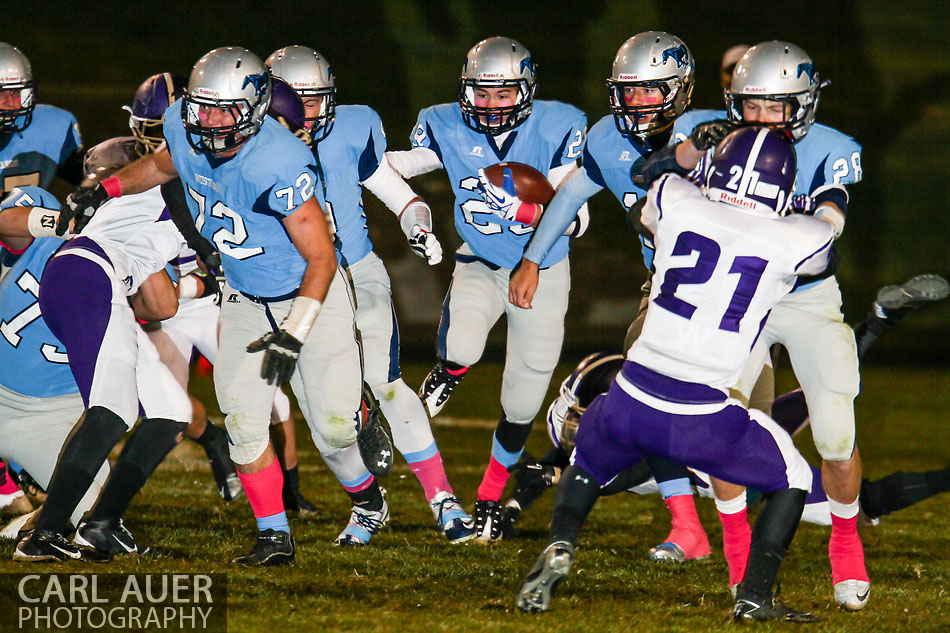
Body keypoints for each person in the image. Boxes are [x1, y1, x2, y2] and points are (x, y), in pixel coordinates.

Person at [57, 47, 386, 563]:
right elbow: (164, 163)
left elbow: (320, 259)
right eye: (201, 106)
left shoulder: (279, 161)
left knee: (334, 429)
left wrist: (294, 331)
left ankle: (367, 498)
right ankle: (274, 536)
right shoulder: (186, 127)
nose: (207, 119)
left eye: (221, 109)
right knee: (242, 418)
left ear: (254, 107)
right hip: (243, 295)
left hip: (310, 295)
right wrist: (106, 190)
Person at [517, 127, 834, 621]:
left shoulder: (677, 198)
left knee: (588, 462)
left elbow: (648, 178)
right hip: (704, 412)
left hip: (631, 393)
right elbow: (825, 241)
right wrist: (825, 202)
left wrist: (689, 153)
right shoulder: (795, 236)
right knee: (791, 477)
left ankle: (561, 542)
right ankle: (754, 596)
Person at [648, 41, 884, 611]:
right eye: (749, 106)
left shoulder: (832, 149)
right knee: (717, 426)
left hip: (804, 298)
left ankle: (846, 543)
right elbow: (647, 176)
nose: (758, 119)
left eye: (773, 107)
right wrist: (683, 154)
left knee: (835, 433)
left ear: (802, 105)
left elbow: (827, 236)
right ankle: (737, 553)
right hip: (735, 297)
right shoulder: (711, 132)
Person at [500, 32, 711, 561]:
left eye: (650, 91)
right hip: (666, 287)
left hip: (737, 293)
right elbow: (569, 196)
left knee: (744, 423)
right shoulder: (606, 140)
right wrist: (530, 260)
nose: (636, 103)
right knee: (645, 389)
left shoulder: (713, 137)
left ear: (681, 90)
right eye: (628, 91)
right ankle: (689, 526)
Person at [266, 45, 475, 543]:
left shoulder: (353, 126)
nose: (306, 114)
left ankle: (442, 499)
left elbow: (391, 186)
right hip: (291, 287)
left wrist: (417, 225)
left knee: (386, 382)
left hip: (356, 269)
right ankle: (366, 504)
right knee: (324, 418)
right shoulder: (246, 149)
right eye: (295, 101)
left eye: (315, 101)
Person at [386, 36, 587, 540]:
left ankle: (490, 497)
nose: (492, 105)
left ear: (527, 90)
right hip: (479, 259)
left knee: (522, 399)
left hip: (542, 269)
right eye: (482, 92)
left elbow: (578, 215)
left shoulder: (559, 125)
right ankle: (450, 369)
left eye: (504, 94)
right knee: (462, 343)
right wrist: (399, 202)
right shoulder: (444, 122)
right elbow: (394, 167)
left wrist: (526, 214)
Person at [4, 168, 196, 561]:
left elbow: (163, 304)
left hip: (99, 279)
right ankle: (44, 535)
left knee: (172, 411)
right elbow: (170, 167)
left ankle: (101, 524)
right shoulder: (184, 171)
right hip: (89, 271)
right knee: (112, 411)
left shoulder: (150, 207)